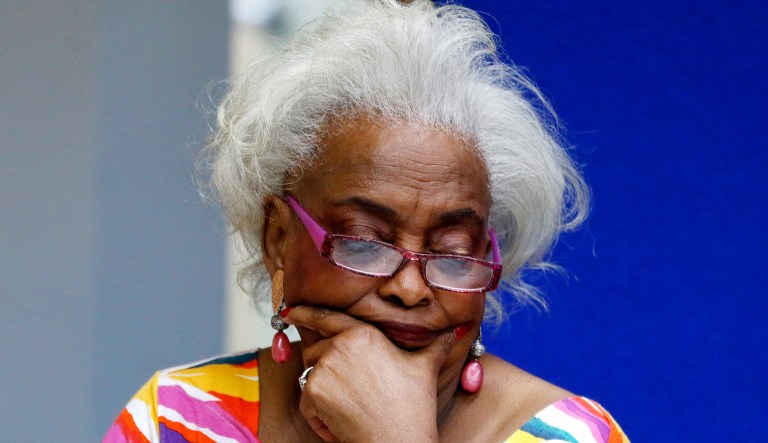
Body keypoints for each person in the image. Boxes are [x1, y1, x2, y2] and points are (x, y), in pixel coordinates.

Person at [105, 1, 629, 441]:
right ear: (278, 239)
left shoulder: (568, 436)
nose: (410, 289)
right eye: (363, 242)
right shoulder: (176, 418)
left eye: (452, 252)